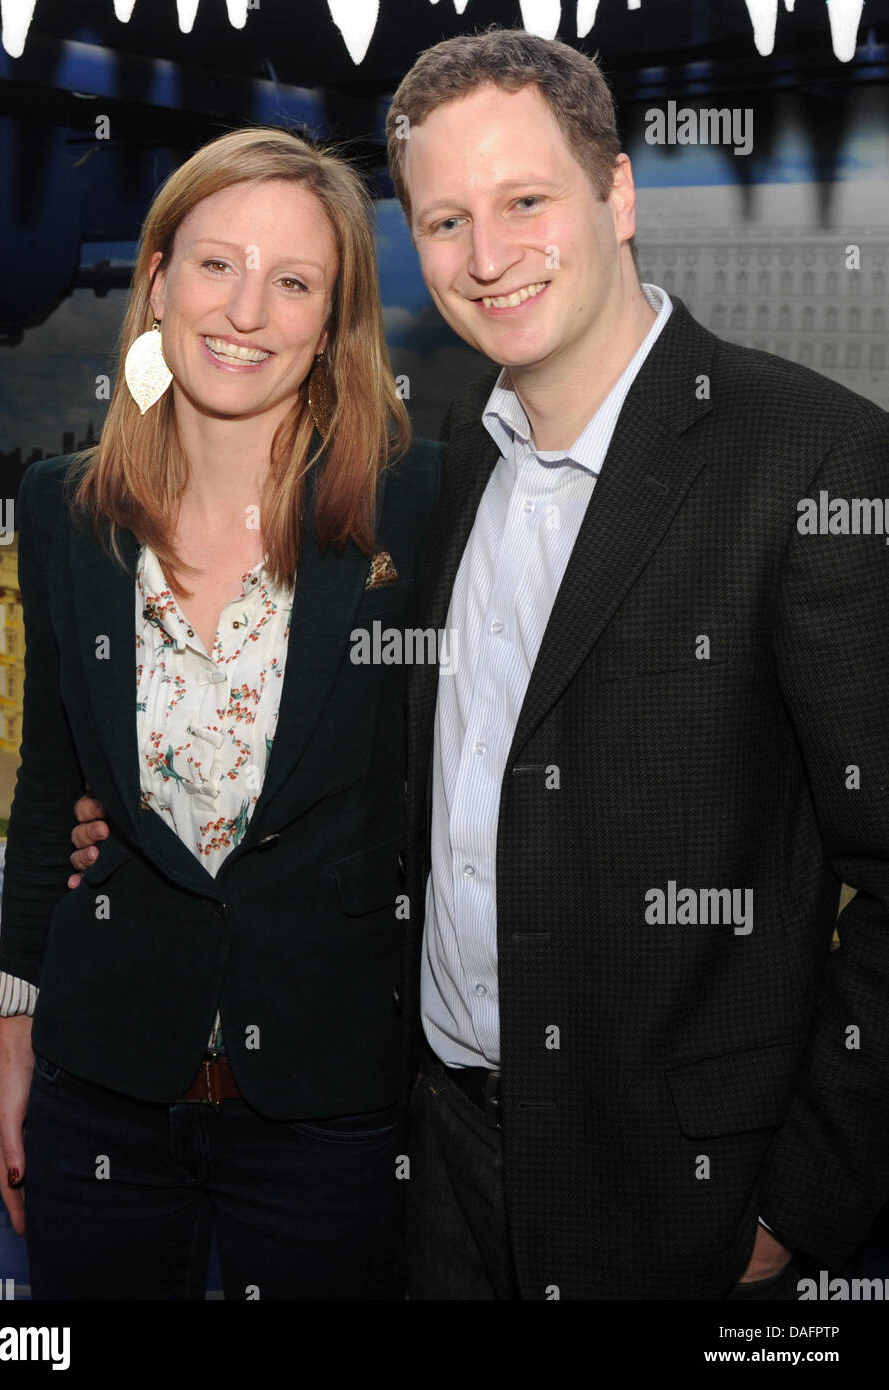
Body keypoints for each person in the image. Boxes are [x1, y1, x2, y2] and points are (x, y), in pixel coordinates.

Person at [382, 30, 889, 1299]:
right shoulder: (462, 470)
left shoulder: (814, 463)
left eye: (524, 201)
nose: (486, 258)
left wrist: (797, 1207)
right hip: (446, 1161)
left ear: (615, 194)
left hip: (686, 1200)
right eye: (444, 220)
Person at [0, 125, 441, 1300]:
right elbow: (52, 788)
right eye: (214, 264)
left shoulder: (419, 506)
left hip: (331, 1107)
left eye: (293, 281)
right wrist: (15, 1042)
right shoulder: (63, 509)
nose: (246, 309)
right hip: (104, 1088)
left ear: (332, 322)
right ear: (157, 278)